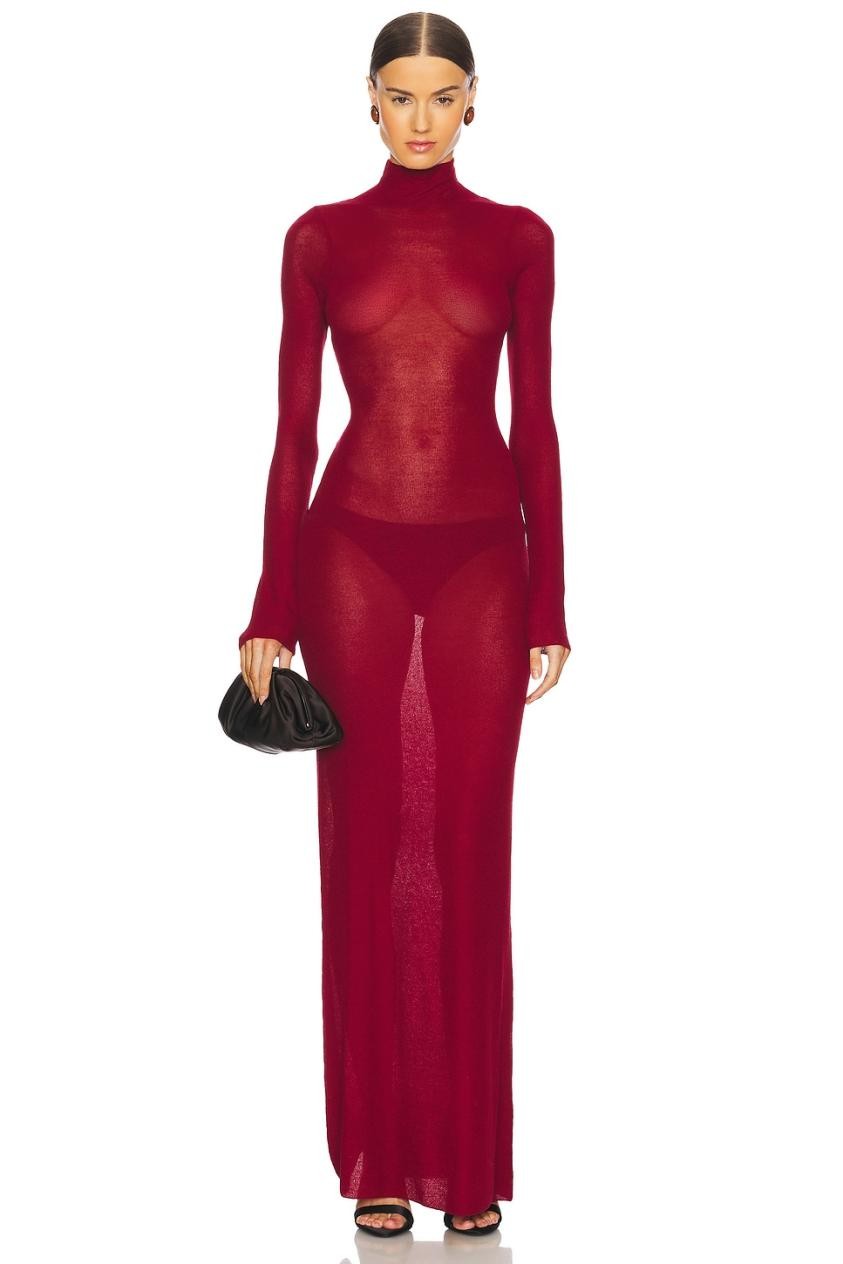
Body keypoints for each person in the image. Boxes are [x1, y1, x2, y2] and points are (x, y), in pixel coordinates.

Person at [238, 11, 572, 1240]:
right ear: (368, 100)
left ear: (474, 99)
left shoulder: (521, 239)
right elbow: (293, 431)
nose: (420, 118)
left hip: (485, 556)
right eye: (399, 94)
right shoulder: (319, 238)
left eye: (442, 94)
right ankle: (379, 1156)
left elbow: (536, 421)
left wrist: (553, 593)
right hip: (352, 556)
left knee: (471, 842)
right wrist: (270, 601)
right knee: (368, 842)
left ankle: (470, 1162)